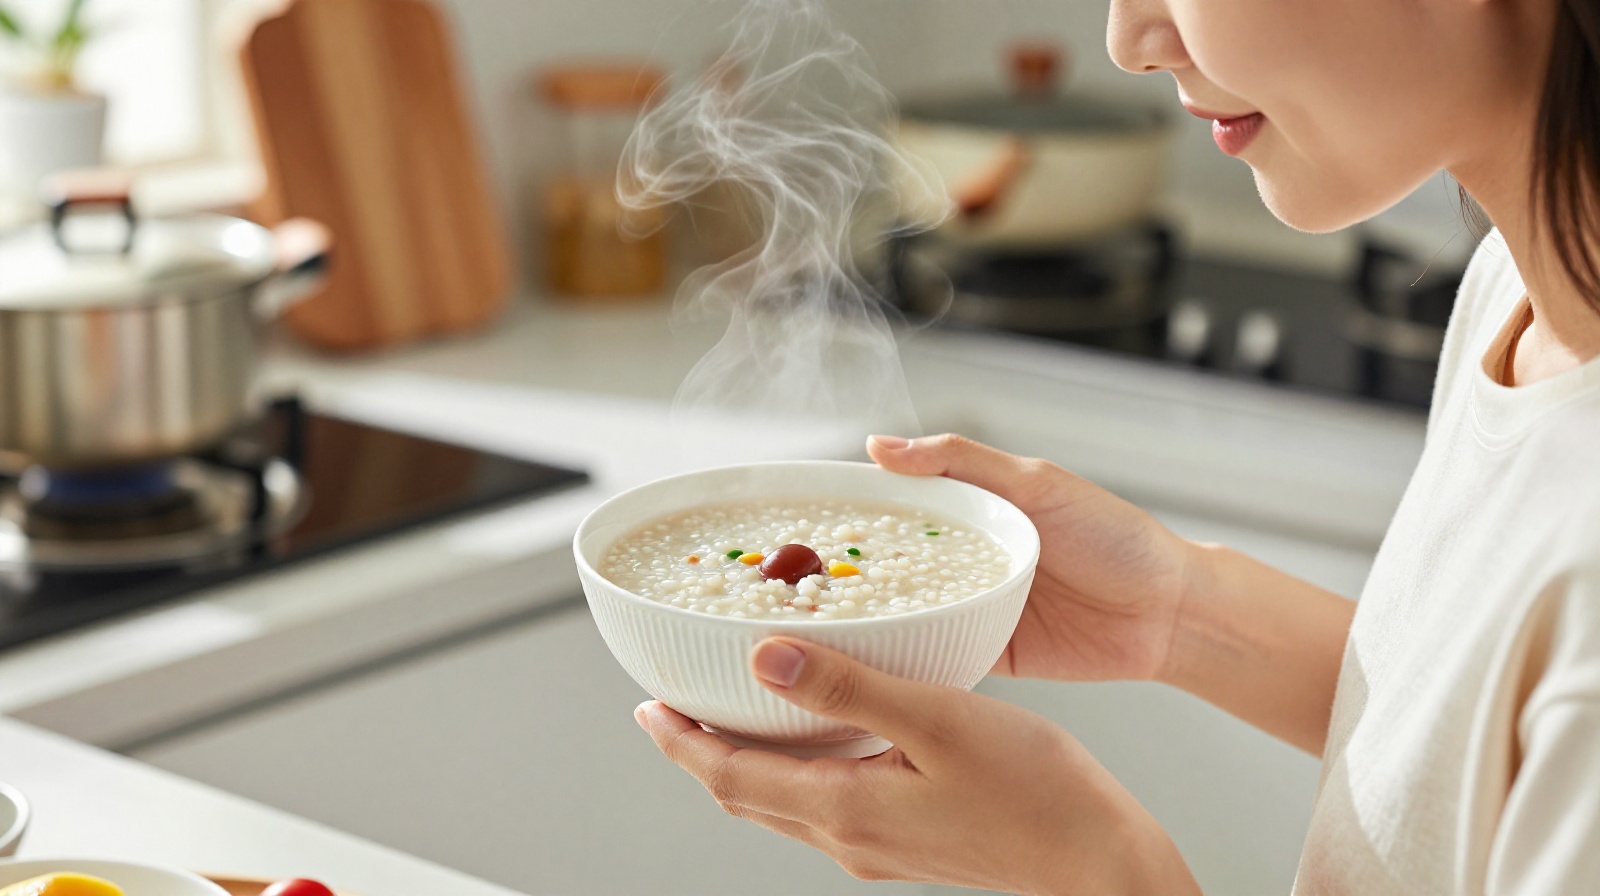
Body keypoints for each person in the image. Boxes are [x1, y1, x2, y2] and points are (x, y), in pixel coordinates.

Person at [634, 0, 1600, 890]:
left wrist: (1099, 871)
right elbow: (1480, 753)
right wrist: (1181, 612)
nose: (1130, 37)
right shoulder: (1517, 295)